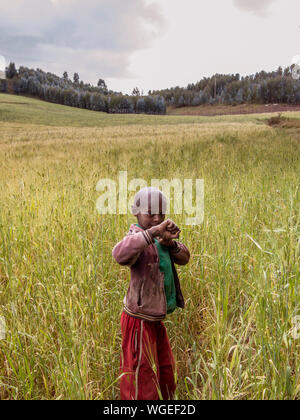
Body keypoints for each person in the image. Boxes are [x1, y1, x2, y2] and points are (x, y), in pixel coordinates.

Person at [112, 187, 190, 400]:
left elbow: (184, 257)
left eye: (161, 214)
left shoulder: (161, 239)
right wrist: (152, 233)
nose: (157, 218)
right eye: (150, 213)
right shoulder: (136, 237)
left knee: (165, 369)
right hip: (138, 321)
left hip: (155, 320)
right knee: (140, 375)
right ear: (136, 213)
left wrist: (171, 243)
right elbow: (119, 254)